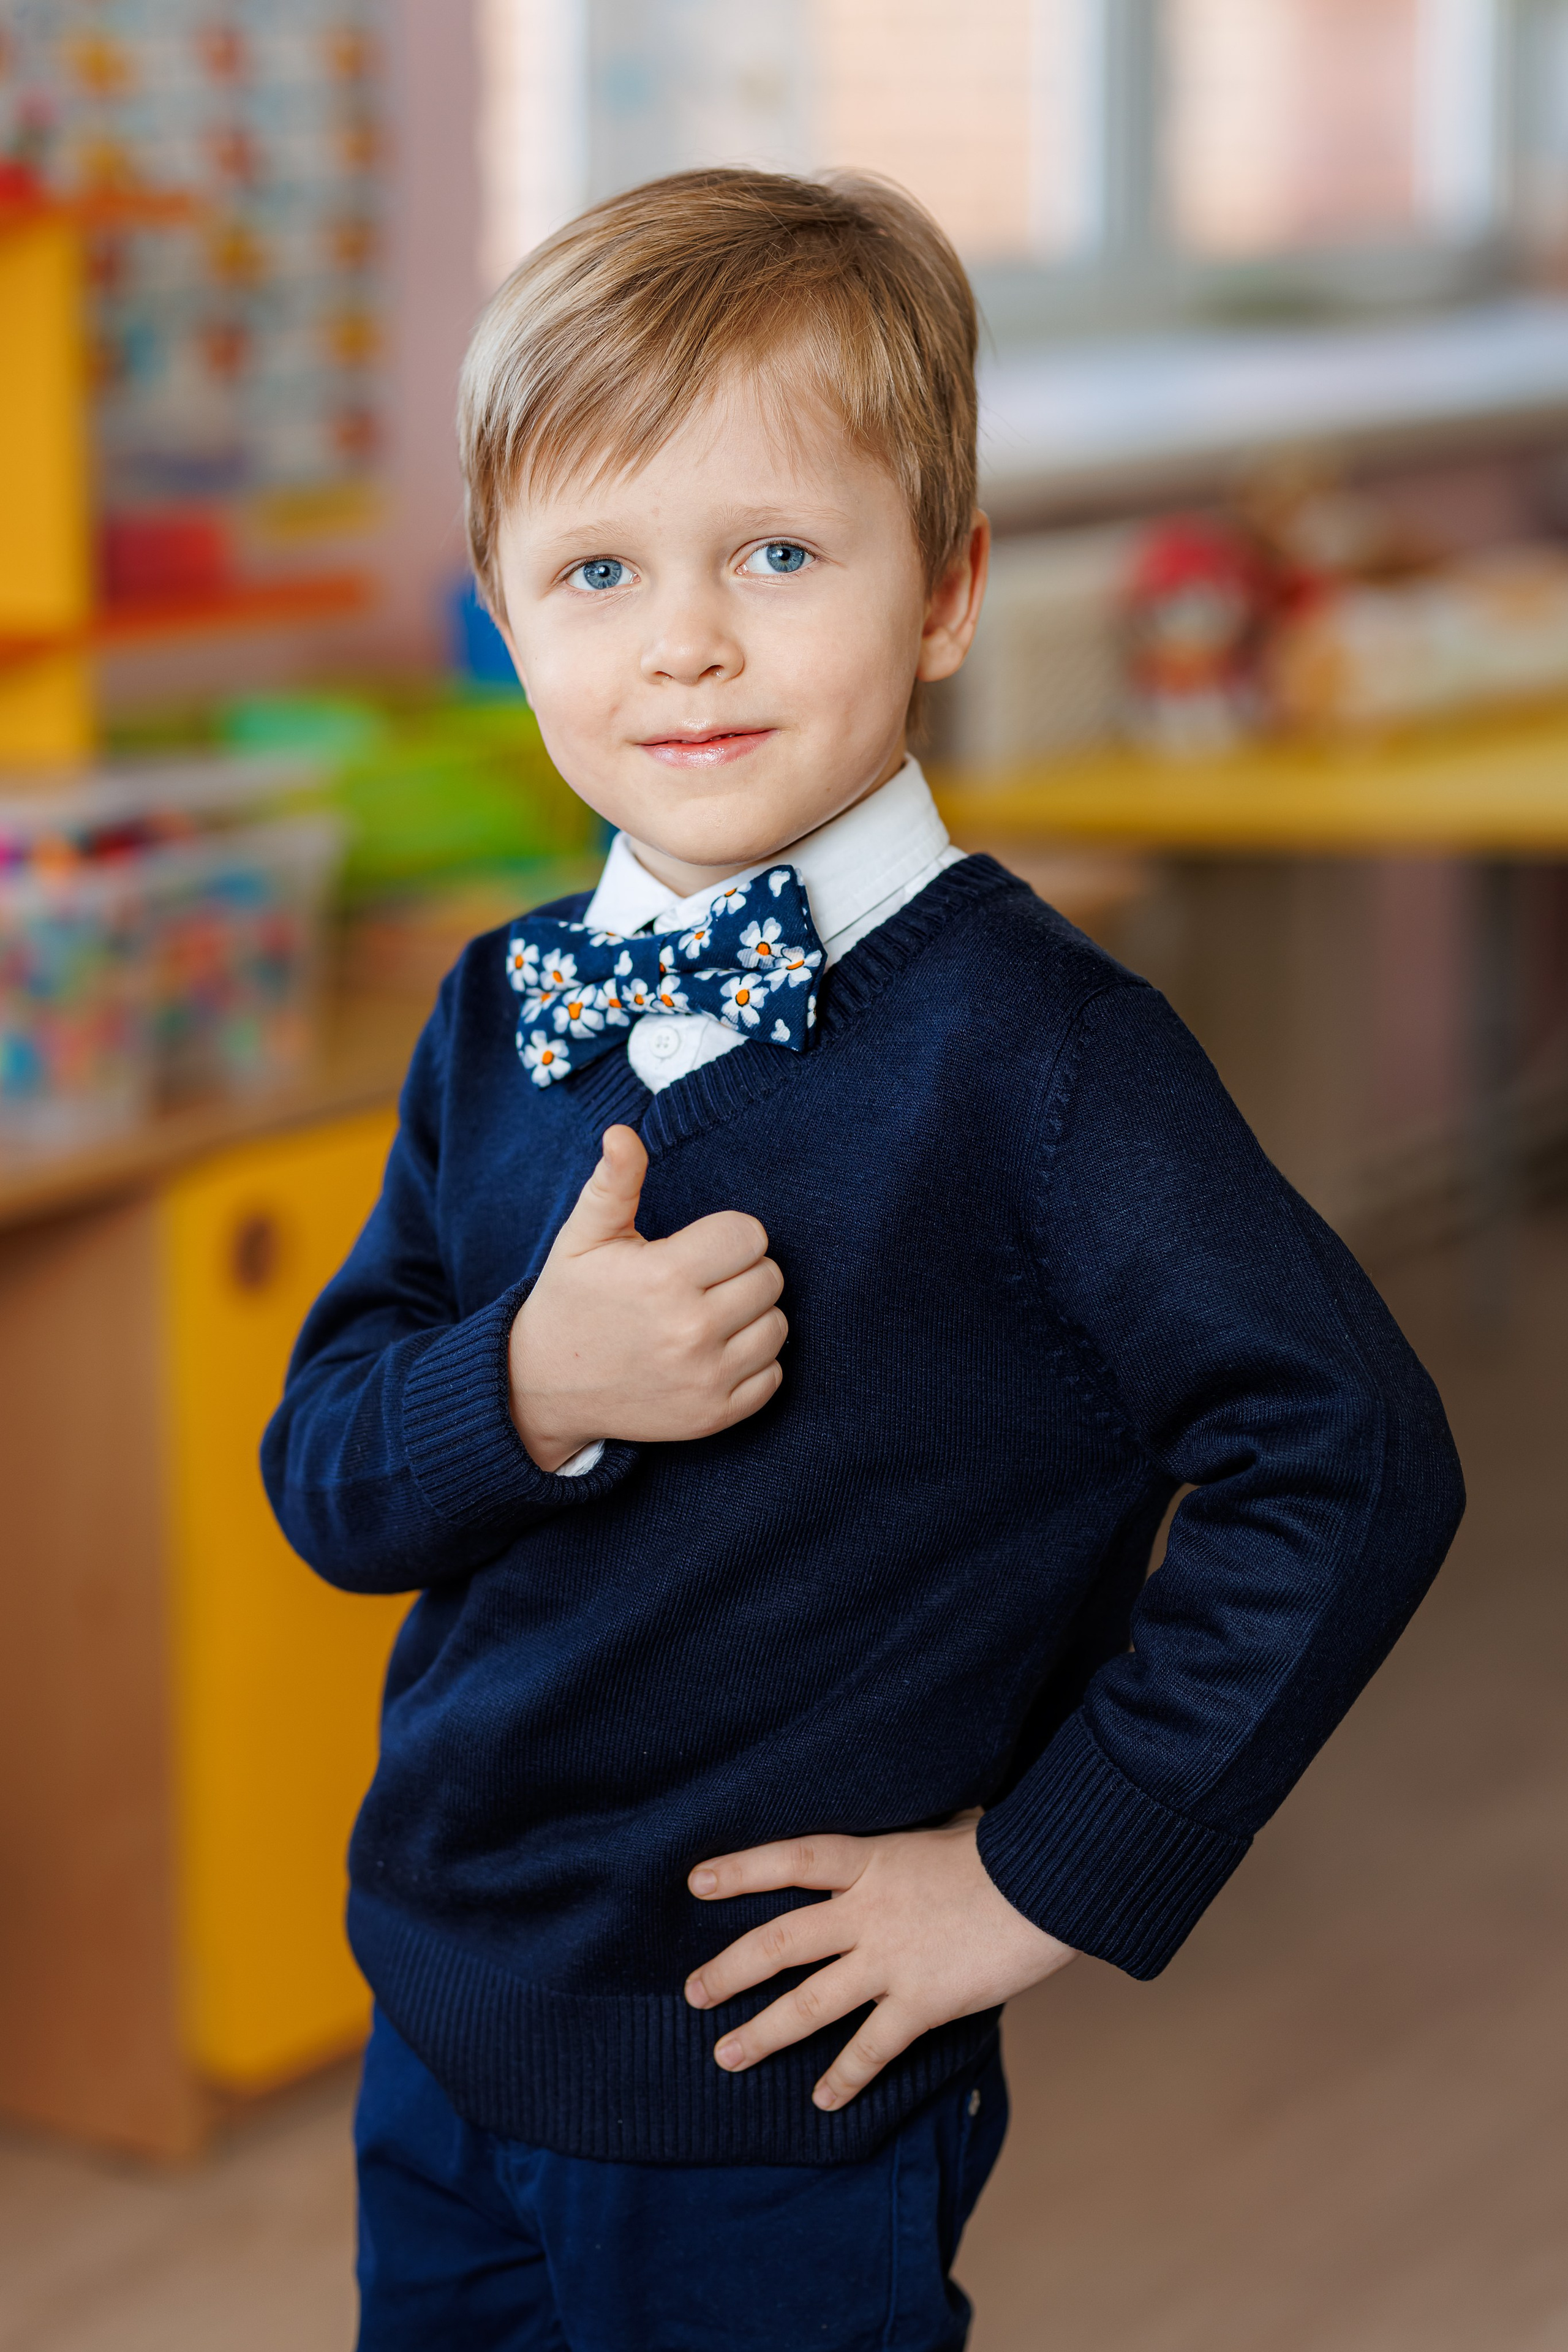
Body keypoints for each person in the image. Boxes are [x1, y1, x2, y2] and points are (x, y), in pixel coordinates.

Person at [262, 167, 1464, 2350]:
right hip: (440, 1999)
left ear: (946, 589)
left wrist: (1035, 1876)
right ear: (506, 616)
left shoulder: (1041, 1055)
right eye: (599, 569)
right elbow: (321, 1473)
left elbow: (1353, 1457)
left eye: (779, 555)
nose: (685, 638)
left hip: (774, 2080)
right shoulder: (491, 1011)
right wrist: (525, 1388)